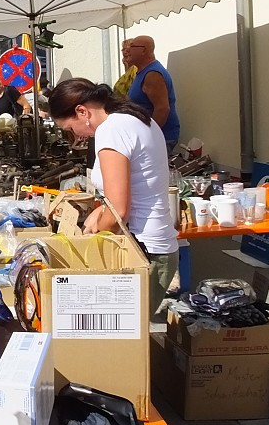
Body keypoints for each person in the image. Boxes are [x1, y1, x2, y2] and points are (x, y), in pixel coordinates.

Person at [46, 78, 179, 320]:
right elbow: (128, 191)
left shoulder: (112, 130)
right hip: (152, 245)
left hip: (141, 249)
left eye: (70, 129)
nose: (76, 137)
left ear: (82, 112)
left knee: (118, 341)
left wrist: (92, 244)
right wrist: (99, 211)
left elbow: (119, 210)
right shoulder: (132, 118)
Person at [122, 35, 180, 151]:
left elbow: (162, 108)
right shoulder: (142, 72)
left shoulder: (152, 74)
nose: (127, 50)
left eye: (132, 46)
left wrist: (150, 135)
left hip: (160, 137)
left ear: (144, 50)